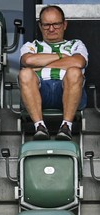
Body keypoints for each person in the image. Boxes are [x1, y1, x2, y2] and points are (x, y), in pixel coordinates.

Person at [18, 5, 88, 141]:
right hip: (39, 93)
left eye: (56, 24)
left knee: (74, 71)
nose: (51, 29)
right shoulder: (31, 46)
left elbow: (79, 62)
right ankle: (39, 127)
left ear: (64, 24)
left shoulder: (76, 44)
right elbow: (28, 60)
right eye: (46, 25)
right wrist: (63, 56)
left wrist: (39, 65)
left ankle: (66, 127)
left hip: (69, 92)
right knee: (25, 73)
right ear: (40, 26)